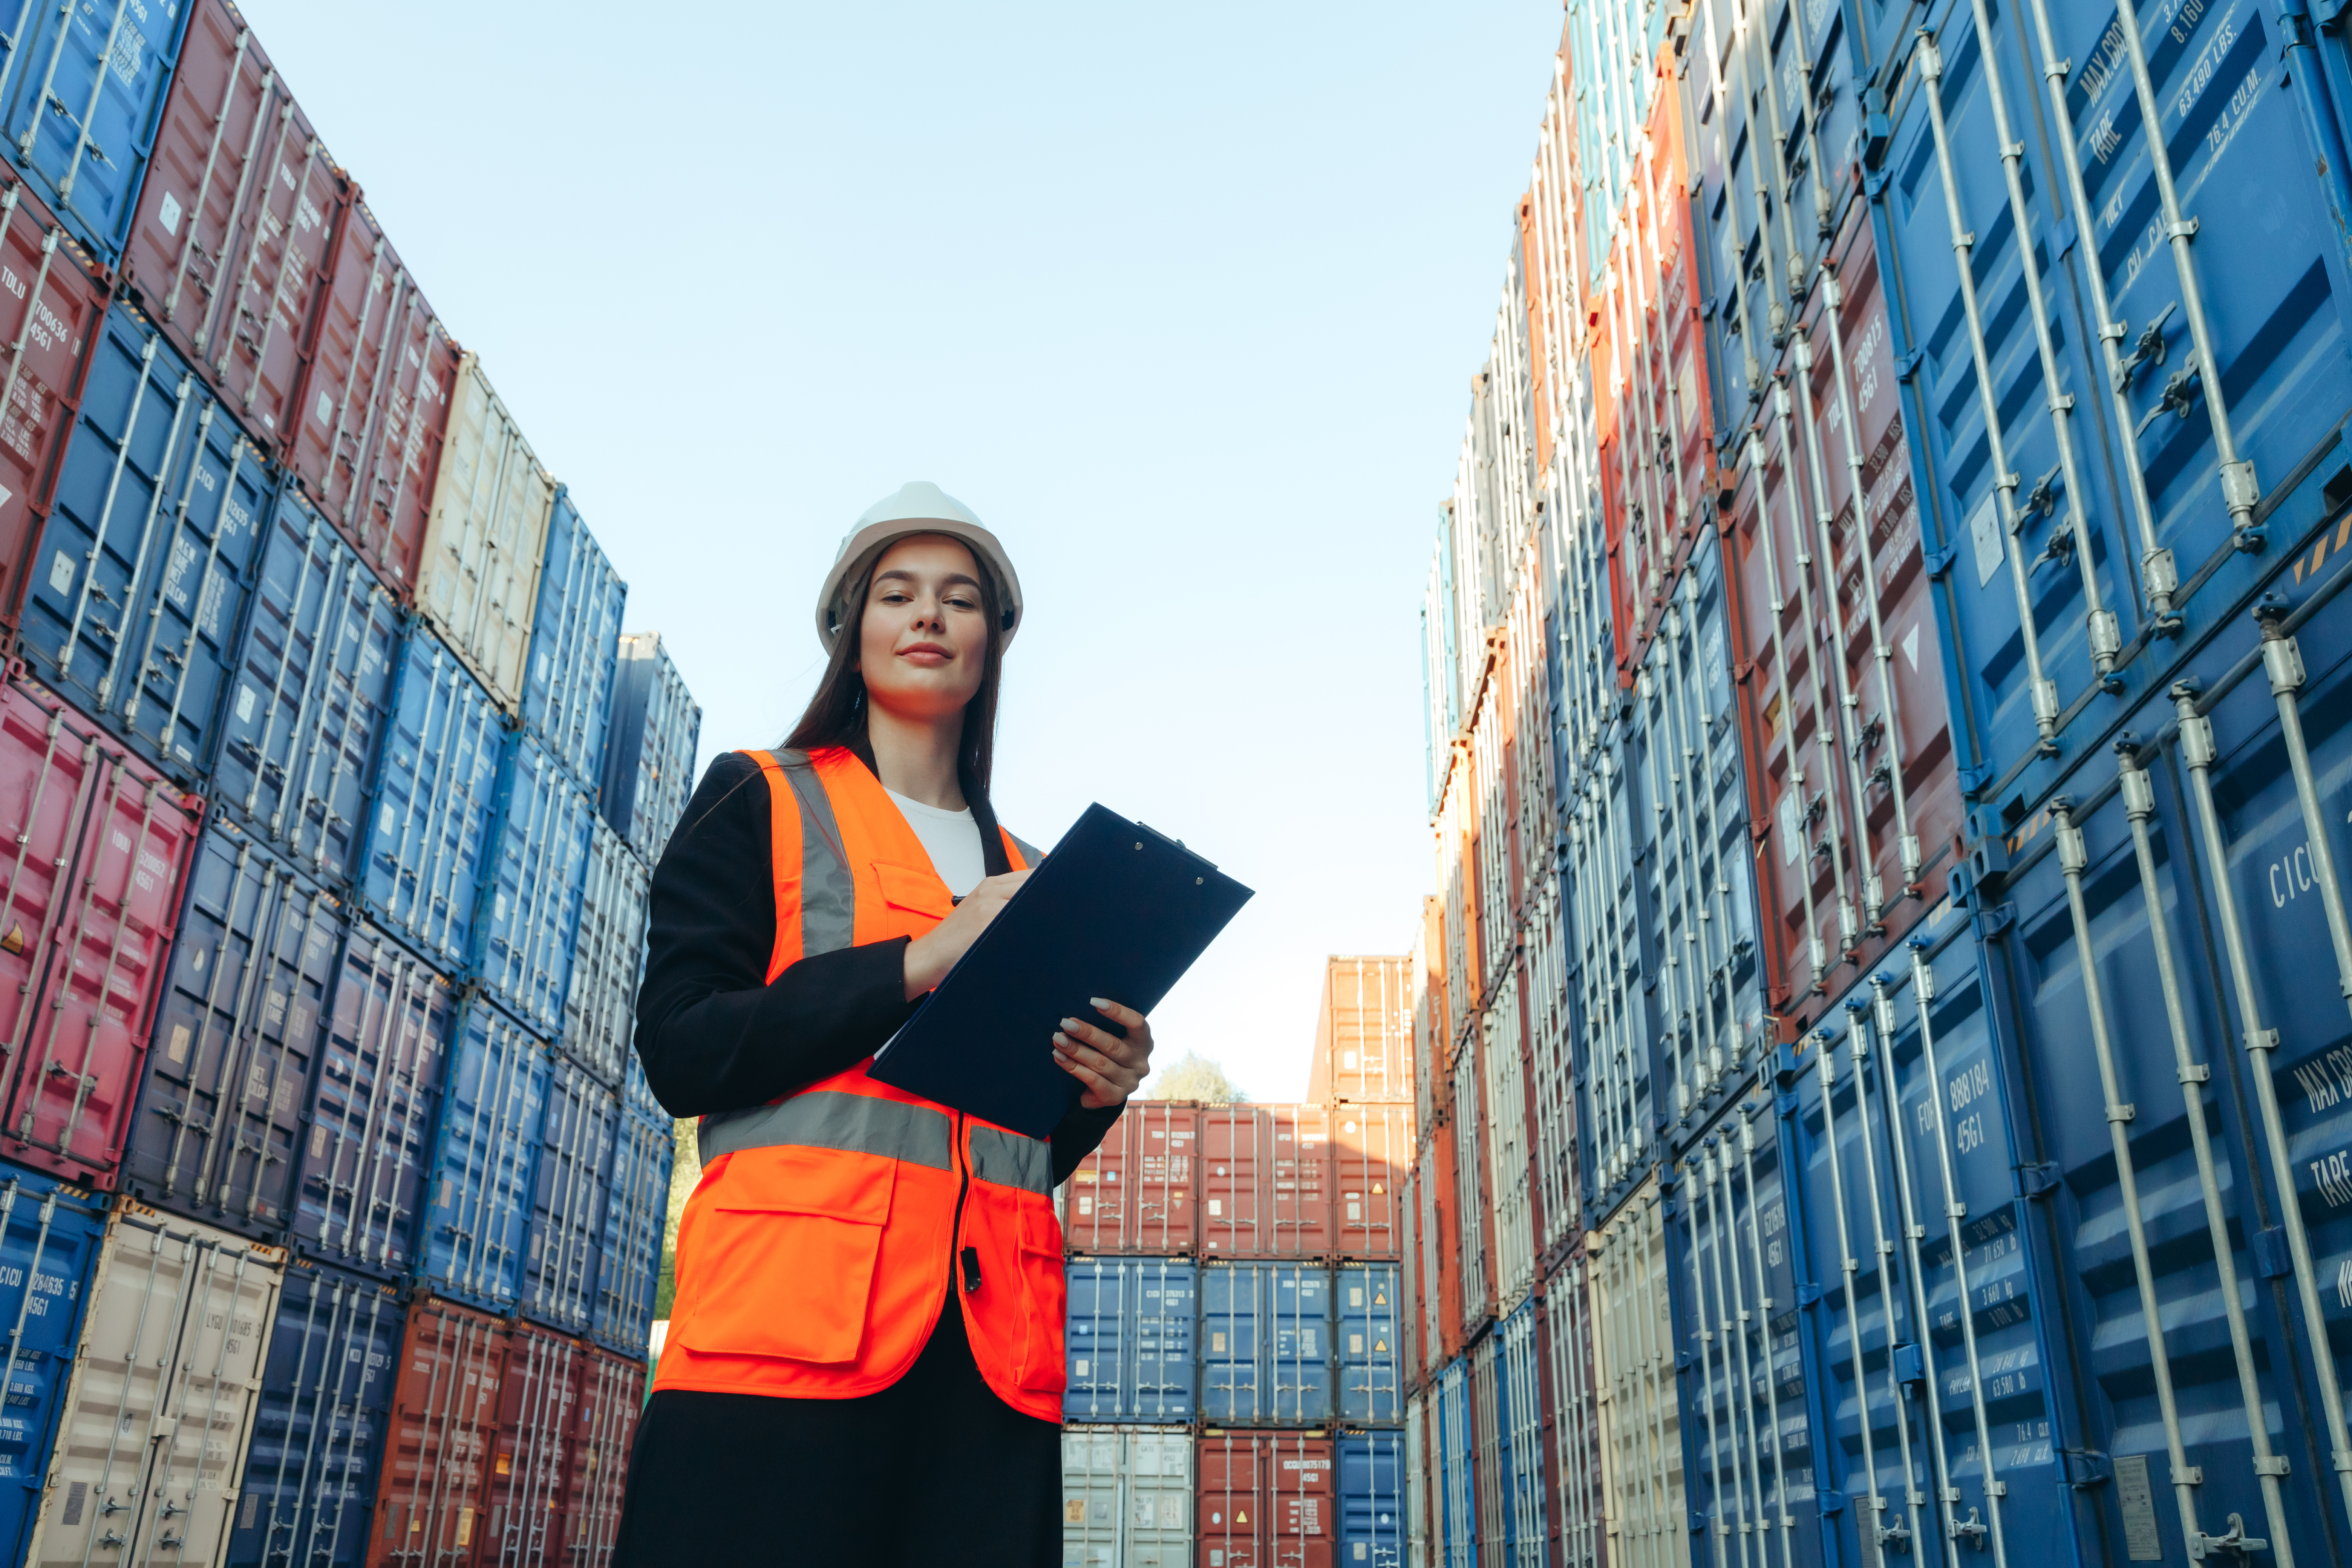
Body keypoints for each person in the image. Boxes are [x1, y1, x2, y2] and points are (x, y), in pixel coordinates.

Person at [612, 482, 1153, 1564]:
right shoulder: (759, 798)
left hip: (989, 1370)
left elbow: (1017, 1154)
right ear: (850, 631)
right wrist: (921, 962)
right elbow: (681, 1050)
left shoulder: (1039, 877)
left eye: (957, 599)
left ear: (989, 644)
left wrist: (1100, 1086)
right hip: (780, 1353)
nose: (927, 616)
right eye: (897, 593)